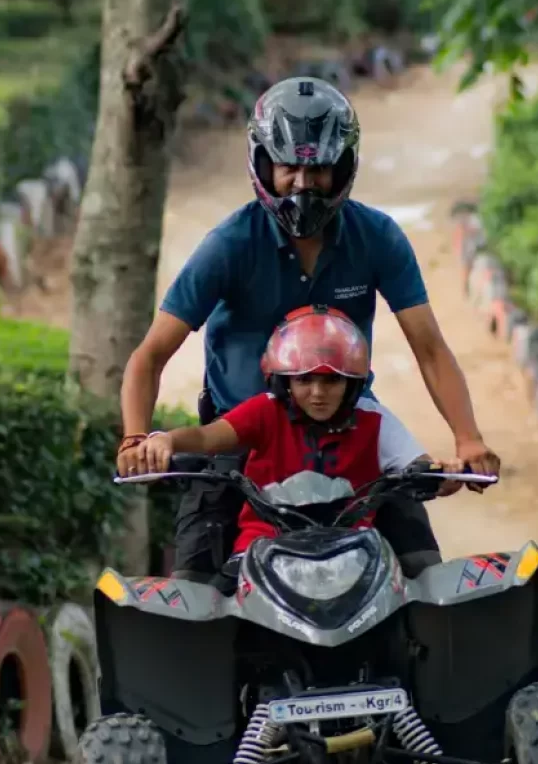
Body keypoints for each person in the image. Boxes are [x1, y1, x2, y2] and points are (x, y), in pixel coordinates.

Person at [116, 75, 499, 581]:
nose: (302, 183)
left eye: (317, 168)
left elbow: (428, 347)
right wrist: (135, 439)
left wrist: (467, 439)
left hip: (349, 430)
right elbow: (151, 354)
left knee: (422, 567)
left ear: (343, 168)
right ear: (261, 165)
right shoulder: (229, 245)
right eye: (288, 166)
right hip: (241, 436)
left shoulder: (378, 237)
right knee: (194, 589)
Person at [123, 306, 464, 585]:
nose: (318, 393)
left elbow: (419, 464)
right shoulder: (263, 411)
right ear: (284, 381)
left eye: (332, 380)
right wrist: (163, 439)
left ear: (353, 383)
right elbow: (206, 438)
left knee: (413, 608)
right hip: (259, 552)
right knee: (206, 622)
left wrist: (444, 473)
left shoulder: (374, 419)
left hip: (358, 554)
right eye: (305, 379)